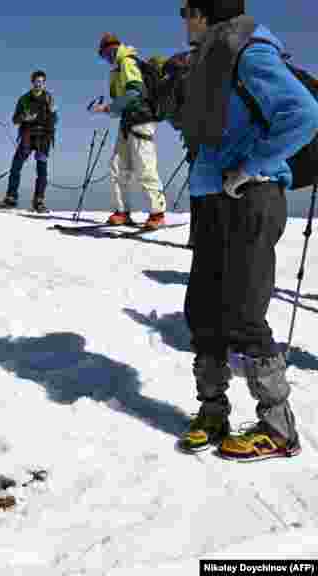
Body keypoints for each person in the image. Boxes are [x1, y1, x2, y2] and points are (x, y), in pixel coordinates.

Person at [176, 0, 318, 460]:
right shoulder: (211, 54)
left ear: (203, 12)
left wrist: (253, 166)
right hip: (213, 199)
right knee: (204, 308)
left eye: (185, 10)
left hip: (250, 197)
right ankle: (212, 411)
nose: (182, 19)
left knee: (243, 311)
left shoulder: (249, 50)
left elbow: (303, 113)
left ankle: (278, 428)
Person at [91, 33, 167, 229]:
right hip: (128, 122)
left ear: (114, 48)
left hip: (141, 120)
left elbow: (134, 92)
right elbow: (124, 100)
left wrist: (107, 108)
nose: (106, 58)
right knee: (117, 166)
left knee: (144, 166)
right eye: (103, 55)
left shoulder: (127, 62)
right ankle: (122, 211)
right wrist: (109, 108)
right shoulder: (118, 68)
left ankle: (157, 213)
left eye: (106, 53)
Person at [0, 70, 58, 213]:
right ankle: (11, 198)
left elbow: (55, 120)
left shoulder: (49, 98)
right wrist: (24, 117)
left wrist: (53, 113)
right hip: (27, 136)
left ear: (44, 83)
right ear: (32, 82)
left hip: (43, 138)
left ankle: (39, 201)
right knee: (16, 166)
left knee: (42, 170)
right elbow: (15, 119)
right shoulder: (23, 99)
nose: (39, 85)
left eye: (41, 82)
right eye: (37, 82)